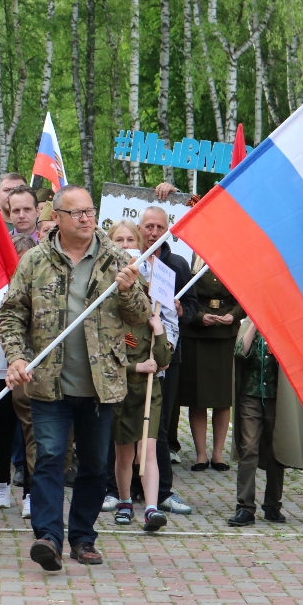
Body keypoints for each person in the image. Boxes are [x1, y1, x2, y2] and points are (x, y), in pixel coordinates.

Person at [0, 185, 151, 571]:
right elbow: (12, 313)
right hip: (49, 383)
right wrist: (16, 357)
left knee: (95, 465)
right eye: (77, 213)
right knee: (48, 458)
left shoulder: (118, 260)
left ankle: (83, 537)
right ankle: (48, 536)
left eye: (90, 211)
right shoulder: (34, 261)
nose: (86, 218)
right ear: (60, 218)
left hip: (101, 385)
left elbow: (140, 316)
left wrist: (131, 290)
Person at [106, 220, 172, 532]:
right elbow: (107, 357)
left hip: (149, 392)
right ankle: (123, 501)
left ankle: (151, 507)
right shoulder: (110, 308)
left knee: (148, 452)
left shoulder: (151, 310)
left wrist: (159, 333)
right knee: (124, 453)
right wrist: (135, 368)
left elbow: (162, 361)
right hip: (122, 390)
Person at [229, 318, 303, 526]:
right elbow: (240, 352)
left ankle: (272, 505)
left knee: (275, 449)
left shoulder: (286, 327)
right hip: (251, 396)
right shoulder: (247, 323)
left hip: (277, 397)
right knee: (249, 448)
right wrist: (254, 323)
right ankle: (245, 507)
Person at [138, 206, 197, 515]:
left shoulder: (177, 264)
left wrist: (181, 309)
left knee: (160, 427)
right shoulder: (129, 263)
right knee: (129, 424)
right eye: (148, 226)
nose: (153, 232)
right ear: (140, 228)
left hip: (167, 357)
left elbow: (192, 305)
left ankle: (162, 490)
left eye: (159, 227)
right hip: (133, 356)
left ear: (167, 229)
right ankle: (124, 488)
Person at [0, 233, 36, 516]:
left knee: (29, 433)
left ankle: (29, 492)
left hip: (30, 373)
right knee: (0, 432)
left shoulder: (39, 292)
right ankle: (2, 484)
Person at [179, 256, 244, 471]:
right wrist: (199, 317)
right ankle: (200, 454)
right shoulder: (192, 260)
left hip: (225, 334)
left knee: (222, 397)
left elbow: (243, 298)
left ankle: (218, 454)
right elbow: (184, 297)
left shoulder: (234, 261)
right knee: (198, 397)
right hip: (197, 333)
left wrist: (233, 316)